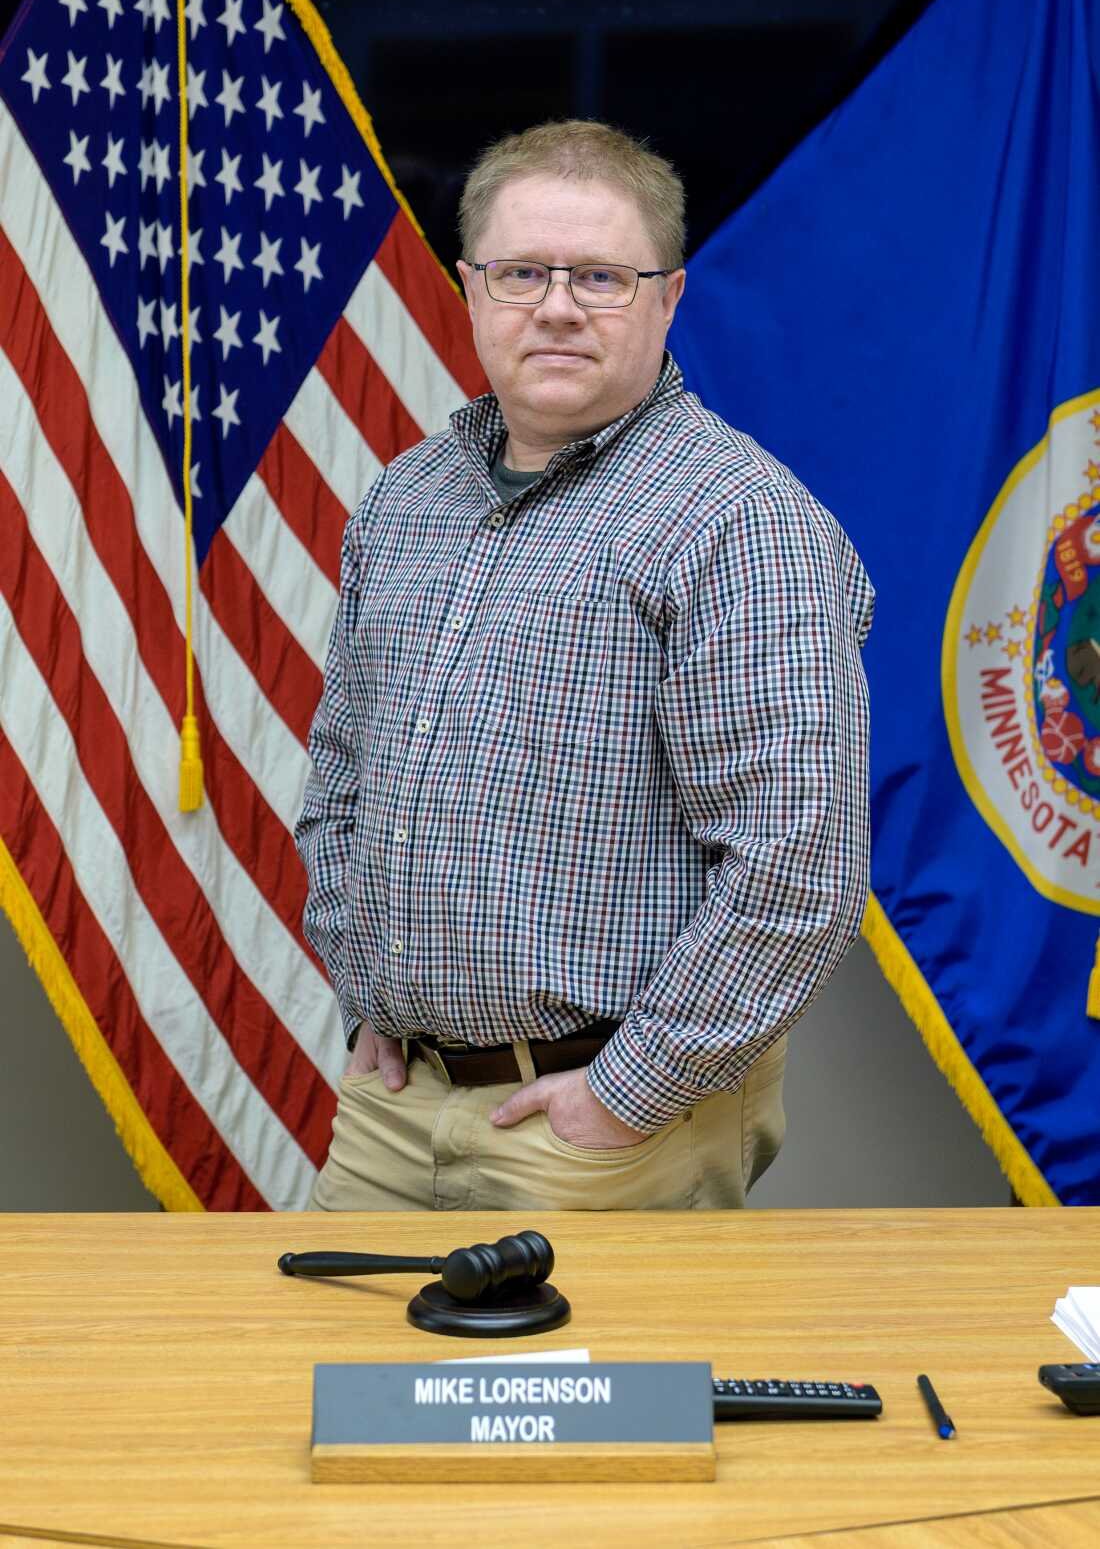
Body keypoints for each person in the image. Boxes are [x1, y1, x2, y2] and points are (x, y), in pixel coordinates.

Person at [295, 119, 874, 1212]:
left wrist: (626, 1092)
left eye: (601, 277)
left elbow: (799, 863)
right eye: (521, 272)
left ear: (668, 298)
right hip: (388, 1108)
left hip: (604, 1126)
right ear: (471, 288)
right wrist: (368, 991)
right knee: (322, 1334)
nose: (556, 307)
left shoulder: (738, 521)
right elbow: (340, 780)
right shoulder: (406, 499)